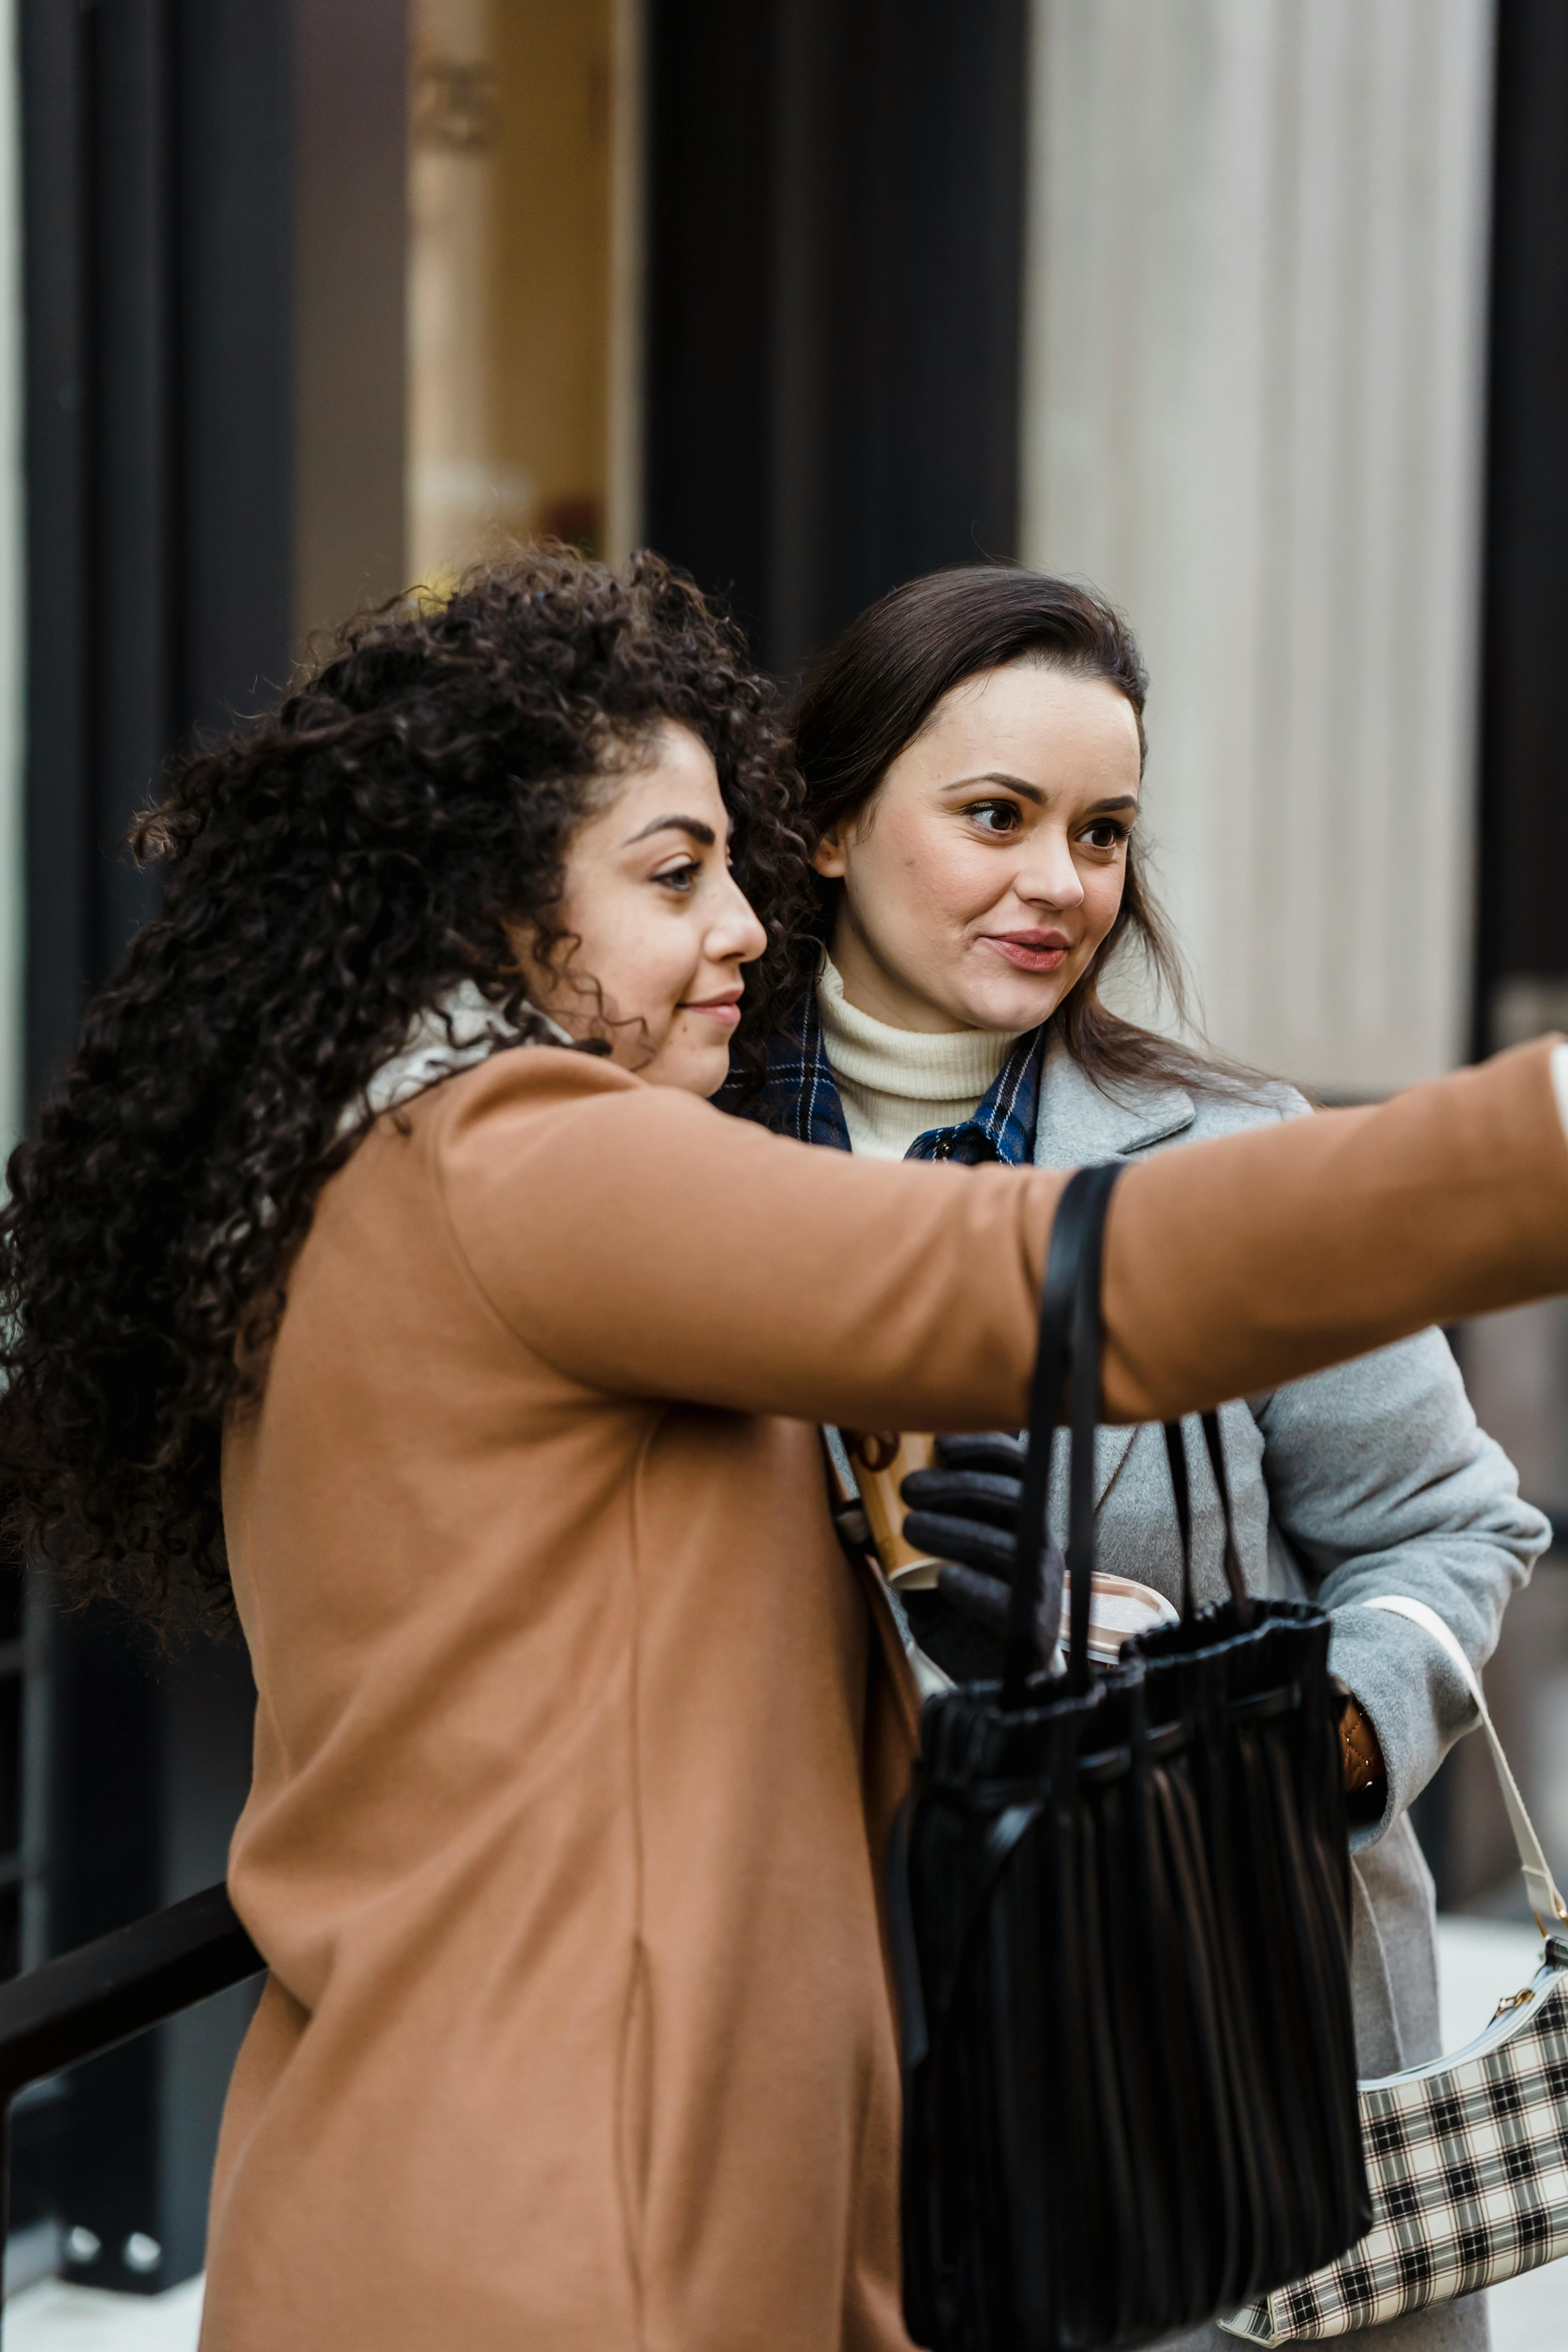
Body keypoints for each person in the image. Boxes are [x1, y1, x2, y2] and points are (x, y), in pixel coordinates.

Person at [0, 546, 1566, 2352]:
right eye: (676, 875)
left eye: (1104, 829)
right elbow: (1031, 1281)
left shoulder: (396, 1168)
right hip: (576, 2223)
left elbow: (639, 1646)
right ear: (486, 908)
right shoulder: (533, 1152)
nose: (742, 925)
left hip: (549, 2169)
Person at [724, 563, 1547, 2352]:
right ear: (830, 828)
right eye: (995, 817)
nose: (1058, 885)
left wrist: (1293, 1733)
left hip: (1202, 2050)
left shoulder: (1224, 1156)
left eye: (1101, 833)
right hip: (813, 2043)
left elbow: (1452, 1528)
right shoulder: (671, 1162)